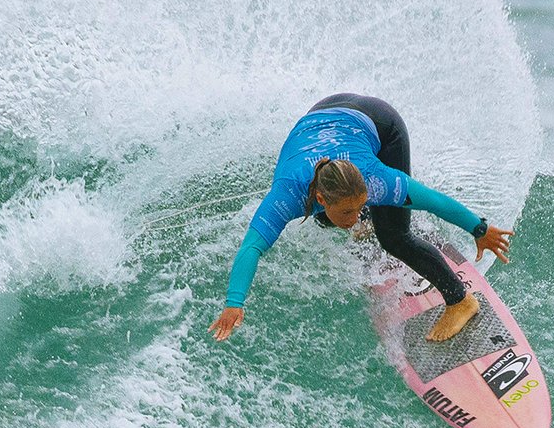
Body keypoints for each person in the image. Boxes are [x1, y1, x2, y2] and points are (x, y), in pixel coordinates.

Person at [209, 94, 513, 343]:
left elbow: (434, 201)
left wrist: (479, 228)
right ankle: (370, 214)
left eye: (360, 208)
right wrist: (234, 303)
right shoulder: (287, 195)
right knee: (325, 220)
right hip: (320, 117)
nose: (352, 219)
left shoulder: (376, 178)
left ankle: (460, 301)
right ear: (320, 197)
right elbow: (251, 247)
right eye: (349, 212)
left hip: (380, 123)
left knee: (393, 236)